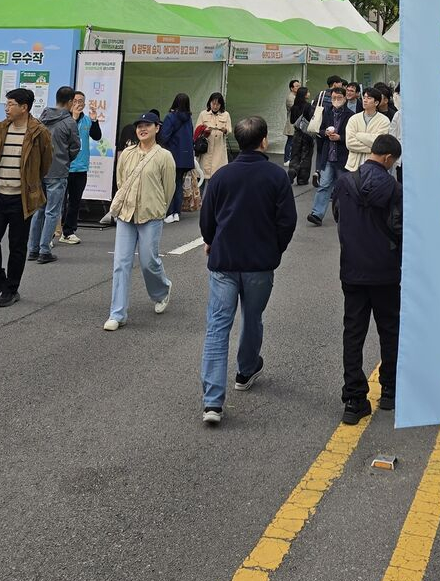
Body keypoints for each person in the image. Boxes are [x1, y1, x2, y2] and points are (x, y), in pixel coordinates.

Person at [199, 115, 297, 425]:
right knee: (252, 317)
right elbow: (287, 221)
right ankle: (246, 370)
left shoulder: (222, 176)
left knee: (218, 326)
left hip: (224, 260)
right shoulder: (276, 176)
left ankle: (212, 401)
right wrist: (274, 250)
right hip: (259, 263)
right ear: (264, 141)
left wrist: (210, 240)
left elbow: (207, 218)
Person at [332, 133, 402, 424]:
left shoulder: (344, 183)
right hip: (385, 272)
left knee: (353, 333)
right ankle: (389, 391)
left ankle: (354, 400)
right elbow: (400, 228)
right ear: (387, 158)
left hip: (352, 270)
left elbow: (338, 217)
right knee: (390, 330)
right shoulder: (395, 189)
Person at [0, 88, 53, 307]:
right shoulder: (1, 128)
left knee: (17, 245)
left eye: (11, 104)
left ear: (24, 107)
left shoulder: (39, 132)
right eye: (6, 104)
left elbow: (45, 163)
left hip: (21, 199)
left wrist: (30, 183)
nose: (6, 108)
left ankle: (11, 289)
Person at [103, 112, 175, 330]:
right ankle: (117, 314)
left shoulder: (164, 156)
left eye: (147, 125)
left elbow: (169, 188)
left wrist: (158, 208)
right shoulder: (127, 154)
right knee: (121, 263)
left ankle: (162, 291)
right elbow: (121, 181)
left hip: (151, 215)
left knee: (148, 261)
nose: (142, 129)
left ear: (157, 128)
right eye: (139, 126)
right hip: (126, 214)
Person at [27, 86, 80, 264]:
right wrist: (65, 159)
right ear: (70, 102)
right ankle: (44, 250)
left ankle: (33, 249)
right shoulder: (69, 122)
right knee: (52, 212)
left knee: (39, 210)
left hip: (40, 170)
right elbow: (75, 147)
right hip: (58, 170)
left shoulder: (42, 118)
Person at [307, 86, 354, 226]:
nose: (336, 100)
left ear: (345, 99)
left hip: (342, 156)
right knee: (324, 185)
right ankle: (316, 214)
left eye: (339, 98)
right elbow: (319, 130)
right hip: (328, 155)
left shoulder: (351, 115)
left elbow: (352, 136)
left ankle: (345, 215)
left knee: (343, 188)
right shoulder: (326, 112)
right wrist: (325, 133)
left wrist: (340, 137)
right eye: (334, 98)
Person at [60, 91, 102, 244]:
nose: (78, 103)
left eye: (81, 101)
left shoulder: (86, 120)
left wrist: (94, 120)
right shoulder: (64, 119)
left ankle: (68, 232)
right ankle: (50, 234)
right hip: (64, 167)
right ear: (70, 102)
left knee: (75, 202)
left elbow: (97, 136)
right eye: (75, 100)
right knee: (58, 202)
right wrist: (74, 118)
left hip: (81, 167)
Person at [161, 93, 195, 222]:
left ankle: (169, 212)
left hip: (172, 155)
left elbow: (164, 136)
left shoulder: (171, 117)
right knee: (178, 183)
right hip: (185, 157)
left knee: (169, 184)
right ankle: (176, 213)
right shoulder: (188, 118)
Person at [310, 76, 347, 188]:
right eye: (340, 83)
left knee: (320, 151)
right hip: (334, 127)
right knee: (327, 151)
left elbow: (313, 109)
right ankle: (326, 174)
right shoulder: (340, 97)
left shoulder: (321, 94)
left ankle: (318, 171)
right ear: (335, 84)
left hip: (322, 127)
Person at [345, 86, 391, 172]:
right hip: (354, 166)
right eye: (364, 97)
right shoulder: (354, 119)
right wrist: (373, 148)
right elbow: (350, 143)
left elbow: (380, 144)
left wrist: (358, 135)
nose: (365, 100)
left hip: (374, 166)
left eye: (369, 98)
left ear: (376, 102)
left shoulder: (384, 120)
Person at [195, 93, 232, 178]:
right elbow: (197, 129)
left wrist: (224, 130)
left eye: (218, 104)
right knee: (203, 174)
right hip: (206, 147)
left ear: (221, 105)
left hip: (219, 148)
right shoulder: (203, 114)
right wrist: (205, 130)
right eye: (213, 103)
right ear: (210, 103)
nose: (215, 106)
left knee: (218, 174)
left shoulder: (226, 114)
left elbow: (229, 130)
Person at [287, 85, 314, 185]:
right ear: (304, 95)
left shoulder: (294, 107)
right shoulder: (308, 106)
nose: (309, 94)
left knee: (295, 154)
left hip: (297, 133)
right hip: (307, 134)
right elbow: (311, 119)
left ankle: (293, 169)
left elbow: (292, 121)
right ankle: (302, 179)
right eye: (308, 92)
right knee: (306, 156)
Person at [283, 78, 300, 164]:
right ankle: (286, 159)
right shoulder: (290, 97)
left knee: (293, 141)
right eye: (296, 86)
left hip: (295, 122)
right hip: (291, 122)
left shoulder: (296, 96)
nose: (298, 87)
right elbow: (295, 109)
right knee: (290, 141)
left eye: (299, 86)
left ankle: (291, 158)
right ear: (291, 88)